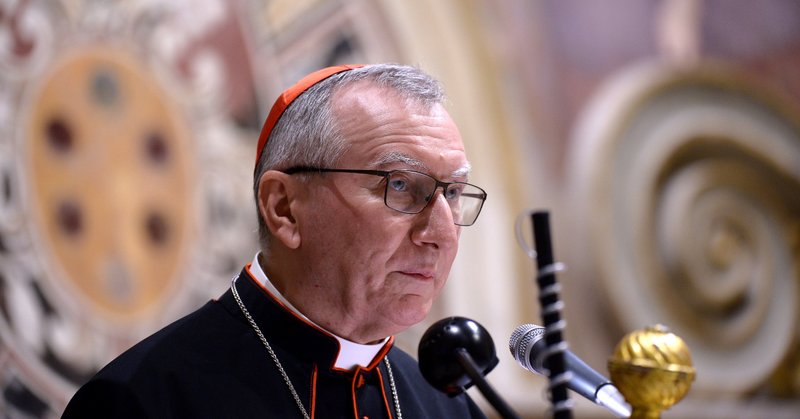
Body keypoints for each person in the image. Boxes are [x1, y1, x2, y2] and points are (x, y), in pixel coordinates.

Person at [63, 63, 488, 418]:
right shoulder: (139, 402)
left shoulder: (449, 409)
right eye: (400, 185)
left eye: (452, 192)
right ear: (284, 208)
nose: (441, 233)